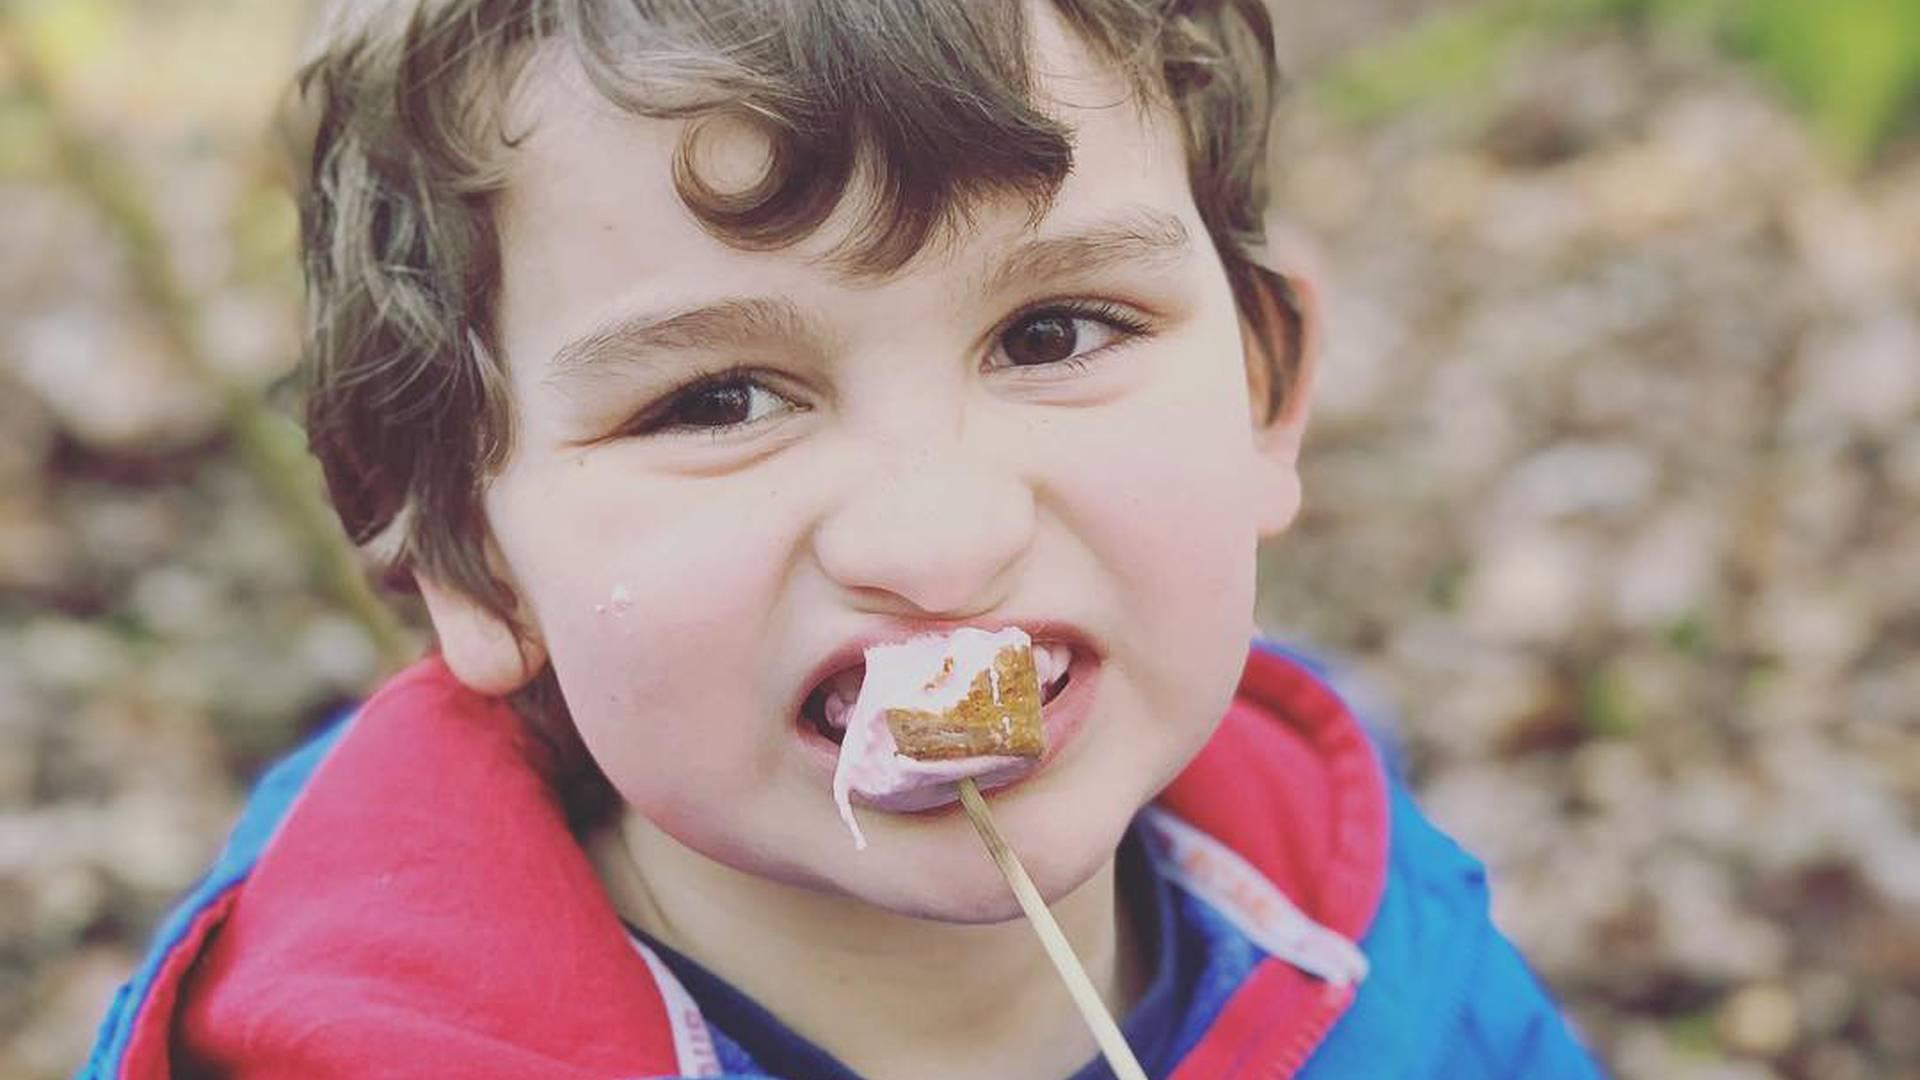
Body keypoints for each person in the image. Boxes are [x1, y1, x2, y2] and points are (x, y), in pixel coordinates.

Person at [84, 1, 1603, 1076]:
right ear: (464, 564)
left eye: (1055, 329)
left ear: (1268, 392)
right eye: (718, 399)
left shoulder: (1374, 929)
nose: (939, 540)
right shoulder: (340, 1049)